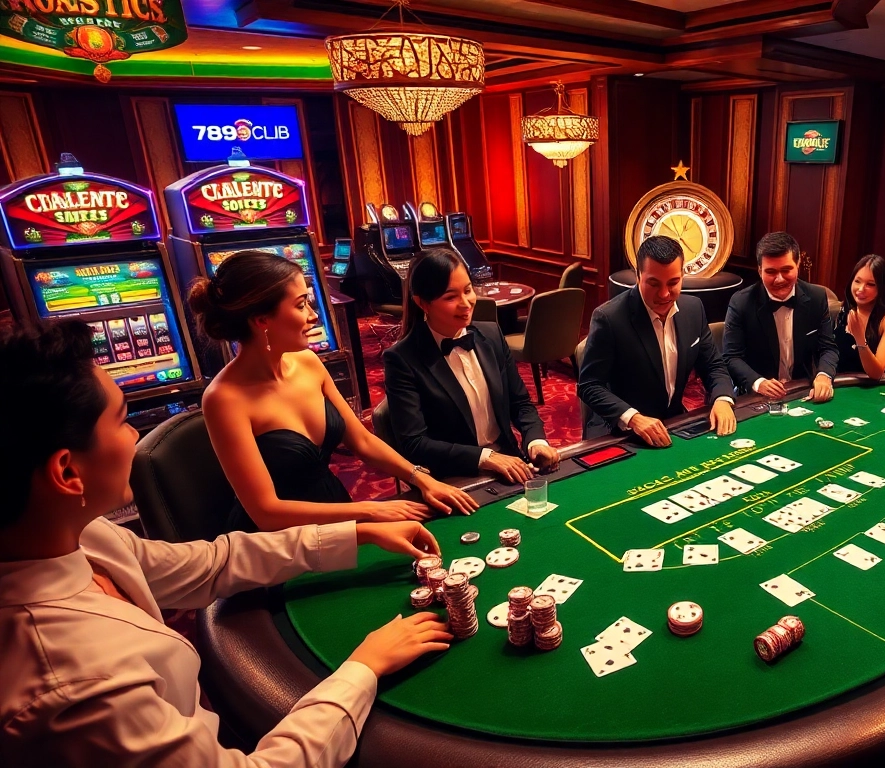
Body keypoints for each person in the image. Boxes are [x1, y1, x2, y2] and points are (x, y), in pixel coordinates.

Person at [0, 320, 453, 767]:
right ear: (67, 473)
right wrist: (362, 669)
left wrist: (358, 531)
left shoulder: (82, 534)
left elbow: (212, 563)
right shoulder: (73, 689)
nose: (135, 437)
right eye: (121, 421)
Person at [188, 250, 477, 532]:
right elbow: (267, 512)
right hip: (278, 543)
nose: (314, 315)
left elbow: (361, 441)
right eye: (301, 305)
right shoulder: (223, 399)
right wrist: (371, 509)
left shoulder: (308, 362)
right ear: (262, 320)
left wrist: (422, 479)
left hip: (335, 510)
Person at [382, 248, 560, 483]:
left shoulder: (492, 334)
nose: (466, 303)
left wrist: (536, 441)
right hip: (454, 477)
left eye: (468, 290)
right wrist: (485, 458)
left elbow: (520, 403)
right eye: (450, 297)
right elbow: (414, 443)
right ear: (422, 303)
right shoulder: (402, 359)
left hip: (511, 463)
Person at [579, 235, 737, 445]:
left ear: (682, 275)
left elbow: (713, 365)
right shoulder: (609, 318)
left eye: (673, 283)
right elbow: (589, 385)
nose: (664, 294)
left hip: (673, 423)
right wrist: (634, 418)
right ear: (638, 276)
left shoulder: (693, 309)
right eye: (653, 283)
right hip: (620, 432)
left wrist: (722, 399)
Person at [722, 232, 838, 402]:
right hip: (756, 397)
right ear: (760, 270)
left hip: (802, 392)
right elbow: (731, 357)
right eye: (770, 272)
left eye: (786, 270)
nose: (779, 279)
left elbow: (828, 348)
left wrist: (823, 375)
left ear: (797, 264)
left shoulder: (817, 297)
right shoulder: (741, 302)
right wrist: (758, 382)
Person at [834, 254, 885, 379]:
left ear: (882, 287)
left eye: (870, 284)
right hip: (837, 383)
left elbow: (876, 373)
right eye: (857, 281)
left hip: (867, 390)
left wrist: (860, 339)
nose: (860, 289)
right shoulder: (846, 308)